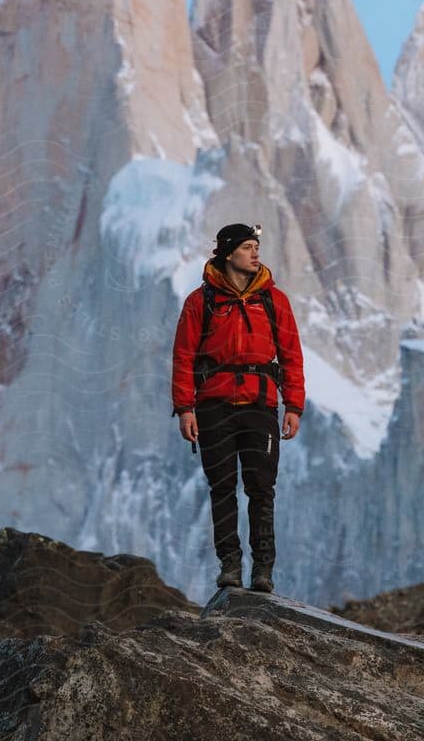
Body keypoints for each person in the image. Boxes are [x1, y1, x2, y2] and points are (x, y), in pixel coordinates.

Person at [171, 222, 305, 594]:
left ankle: (263, 570)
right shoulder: (201, 302)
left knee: (262, 487)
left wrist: (293, 405)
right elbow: (183, 357)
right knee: (222, 487)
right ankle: (230, 565)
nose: (255, 252)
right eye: (247, 247)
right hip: (213, 407)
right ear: (229, 253)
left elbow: (292, 355)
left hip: (261, 405)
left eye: (255, 246)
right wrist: (185, 408)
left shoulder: (274, 300)